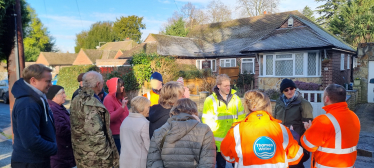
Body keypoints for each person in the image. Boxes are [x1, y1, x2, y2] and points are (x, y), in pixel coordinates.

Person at [221, 90, 304, 167]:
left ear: (248, 106)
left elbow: (227, 155)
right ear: (268, 106)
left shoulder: (236, 130)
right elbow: (296, 156)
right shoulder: (282, 130)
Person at [301, 84, 360, 168]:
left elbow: (308, 145)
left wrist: (309, 130)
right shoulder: (354, 117)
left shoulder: (323, 120)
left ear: (326, 98)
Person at [11, 64, 57, 168]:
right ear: (33, 81)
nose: (51, 84)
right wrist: (54, 148)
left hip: (35, 160)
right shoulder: (28, 103)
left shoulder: (36, 98)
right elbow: (31, 141)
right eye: (47, 81)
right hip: (30, 162)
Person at [147, 98, 216, 168]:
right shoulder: (204, 130)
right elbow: (207, 163)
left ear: (173, 111)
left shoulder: (159, 131)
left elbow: (153, 162)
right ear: (194, 112)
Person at [70, 71, 119, 168]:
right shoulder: (91, 102)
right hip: (95, 159)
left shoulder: (77, 97)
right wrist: (108, 156)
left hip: (82, 154)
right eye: (102, 82)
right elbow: (95, 134)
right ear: (98, 84)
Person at [201, 74, 245, 168]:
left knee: (237, 165)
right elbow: (206, 121)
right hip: (218, 143)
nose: (228, 88)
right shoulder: (210, 100)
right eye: (225, 86)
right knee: (221, 165)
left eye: (229, 85)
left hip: (234, 140)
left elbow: (242, 118)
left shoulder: (236, 99)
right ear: (218, 86)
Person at [274, 78, 313, 168]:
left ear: (295, 88)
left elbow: (308, 125)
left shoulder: (304, 104)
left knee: (296, 165)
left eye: (291, 88)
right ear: (282, 91)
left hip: (296, 143)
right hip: (282, 141)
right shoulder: (279, 103)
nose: (289, 91)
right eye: (286, 89)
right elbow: (275, 121)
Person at [46, 85, 76, 168]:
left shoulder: (59, 107)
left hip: (64, 152)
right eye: (62, 93)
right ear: (54, 96)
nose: (65, 96)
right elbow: (62, 130)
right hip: (60, 153)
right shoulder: (53, 109)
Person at [119, 96, 151, 168]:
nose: (149, 109)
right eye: (148, 107)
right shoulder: (145, 123)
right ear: (141, 108)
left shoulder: (125, 121)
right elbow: (149, 146)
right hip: (138, 162)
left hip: (124, 161)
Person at [103, 77, 129, 154]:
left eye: (123, 85)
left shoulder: (120, 98)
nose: (123, 87)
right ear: (115, 87)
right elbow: (109, 118)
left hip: (124, 132)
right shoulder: (109, 99)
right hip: (116, 135)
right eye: (121, 86)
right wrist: (122, 107)